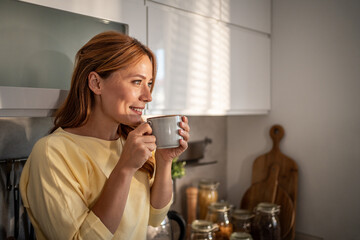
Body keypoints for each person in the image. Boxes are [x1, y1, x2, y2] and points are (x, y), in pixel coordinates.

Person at [19, 31, 190, 240]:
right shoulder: (51, 153)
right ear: (96, 83)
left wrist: (164, 161)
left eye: (150, 83)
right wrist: (125, 169)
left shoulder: (131, 142)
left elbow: (155, 217)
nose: (148, 96)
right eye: (137, 82)